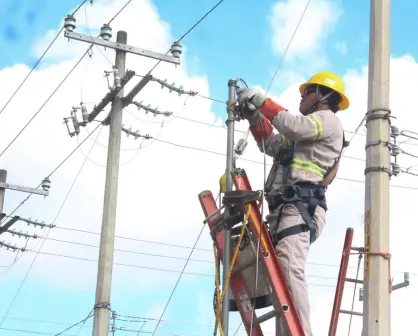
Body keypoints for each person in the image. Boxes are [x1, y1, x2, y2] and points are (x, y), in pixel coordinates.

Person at [236, 72, 349, 335]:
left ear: (324, 96)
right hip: (286, 209)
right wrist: (255, 117)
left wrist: (262, 101)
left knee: (288, 267)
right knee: (278, 279)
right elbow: (273, 144)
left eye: (307, 92)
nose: (302, 96)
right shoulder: (303, 134)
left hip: (300, 207)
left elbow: (292, 125)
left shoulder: (327, 120)